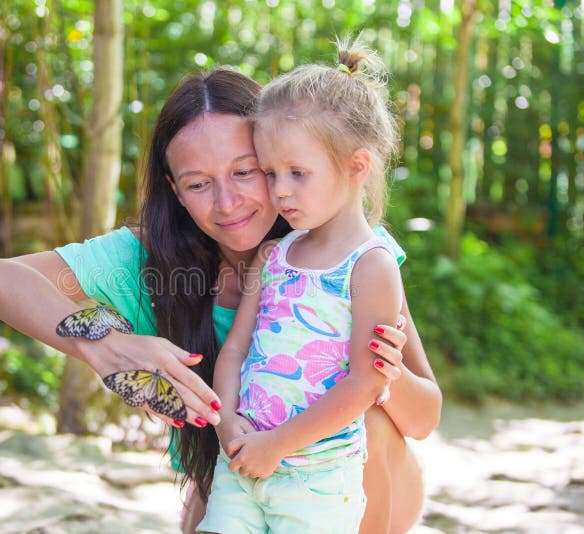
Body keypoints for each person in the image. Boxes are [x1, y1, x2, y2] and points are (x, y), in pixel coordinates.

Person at [0, 63, 441, 533]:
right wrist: (108, 347)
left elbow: (422, 418)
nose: (227, 202)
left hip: (351, 483)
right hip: (239, 477)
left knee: (371, 420)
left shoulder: (346, 251)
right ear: (175, 191)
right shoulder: (142, 260)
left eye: (246, 171)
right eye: (198, 184)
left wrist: (375, 371)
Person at [199, 39, 412, 534]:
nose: (280, 191)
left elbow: (367, 383)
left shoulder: (372, 267)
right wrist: (227, 421)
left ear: (357, 168)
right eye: (271, 173)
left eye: (298, 173)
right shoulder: (275, 255)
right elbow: (235, 350)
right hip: (242, 460)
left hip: (317, 481)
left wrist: (279, 445)